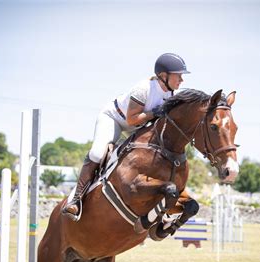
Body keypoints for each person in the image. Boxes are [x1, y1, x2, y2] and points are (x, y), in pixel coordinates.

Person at [62, 53, 190, 221]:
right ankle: (76, 200)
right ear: (163, 76)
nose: (181, 80)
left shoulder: (171, 94)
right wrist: (154, 113)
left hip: (138, 126)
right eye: (178, 75)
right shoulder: (144, 89)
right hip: (116, 119)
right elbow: (131, 119)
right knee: (97, 154)